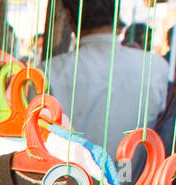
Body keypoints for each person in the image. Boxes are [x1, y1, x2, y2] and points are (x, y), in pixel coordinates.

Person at [46, 0, 168, 155]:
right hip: (137, 178)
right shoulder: (156, 68)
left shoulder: (49, 71)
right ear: (116, 14)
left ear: (69, 15)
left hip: (65, 176)